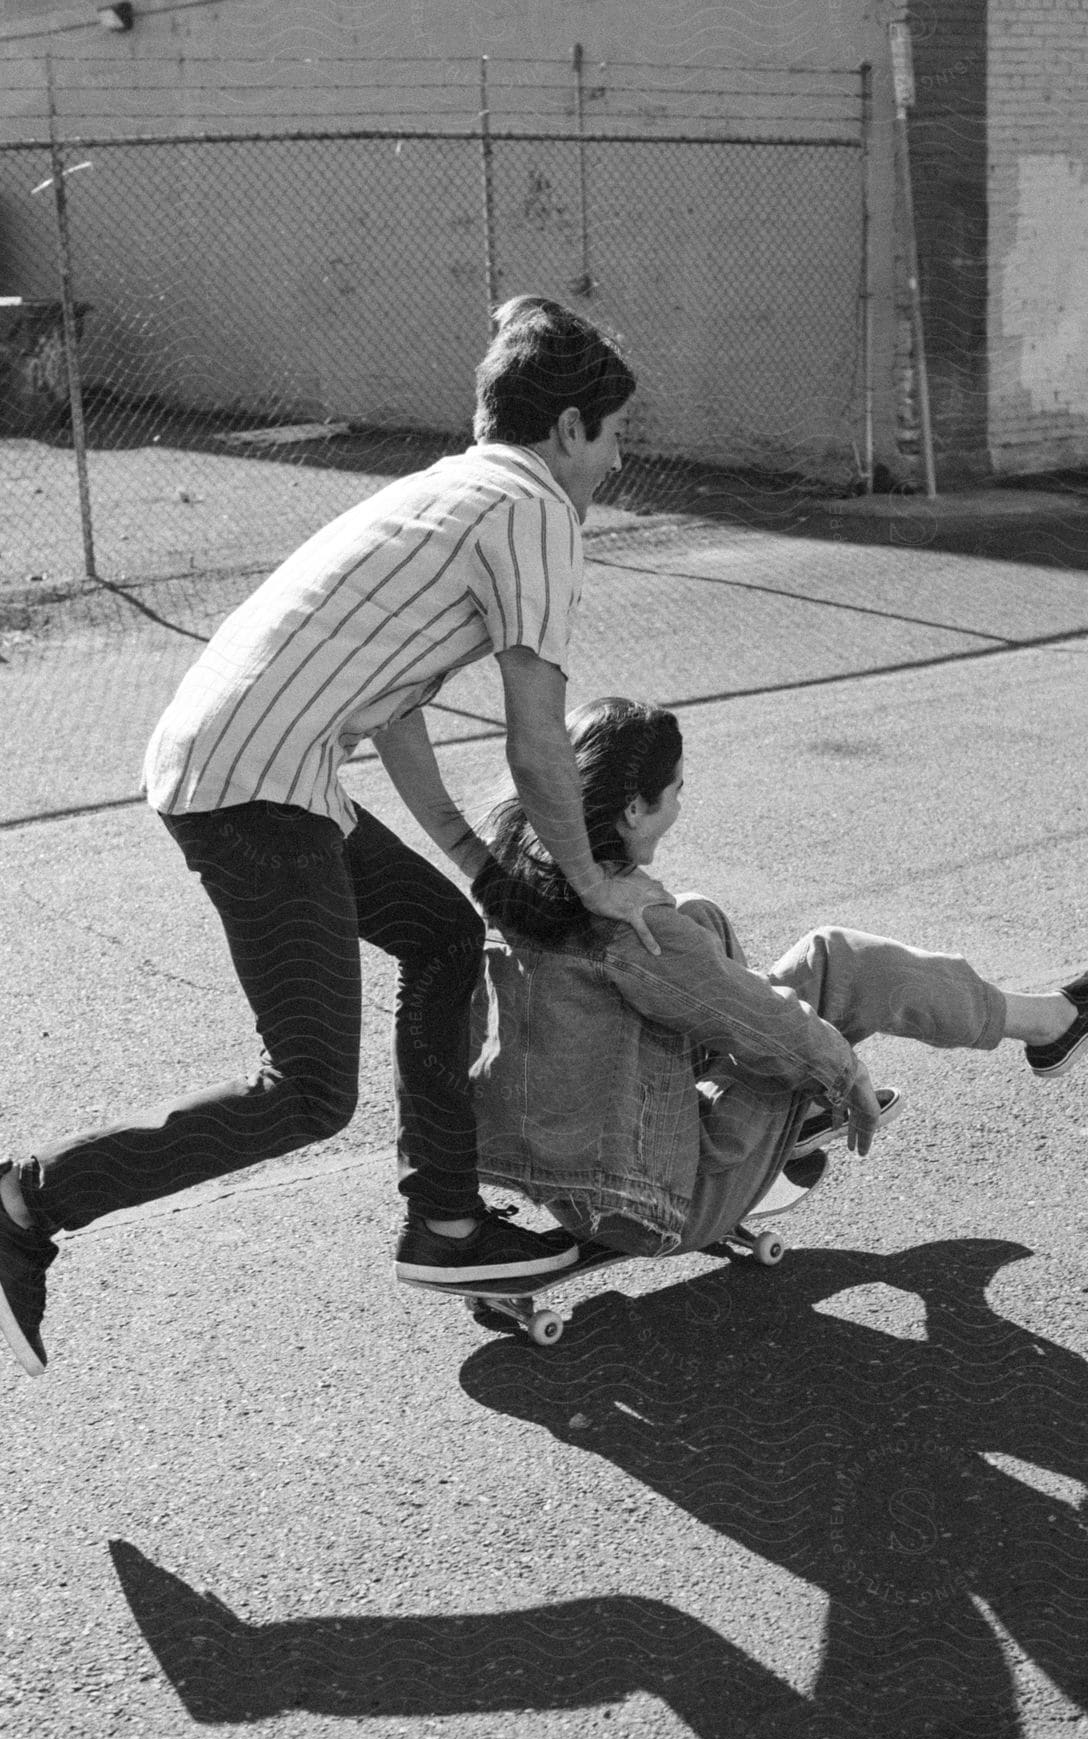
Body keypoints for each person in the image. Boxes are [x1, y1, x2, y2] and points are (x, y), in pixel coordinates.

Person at [0, 297, 671, 1380]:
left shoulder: (447, 491)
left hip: (256, 765)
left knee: (446, 940)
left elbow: (396, 710)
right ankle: (31, 1199)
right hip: (253, 787)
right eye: (613, 435)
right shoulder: (534, 510)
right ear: (567, 433)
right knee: (309, 1093)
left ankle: (447, 1227)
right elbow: (542, 744)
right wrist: (596, 885)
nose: (616, 459)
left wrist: (480, 870)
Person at [456, 696, 1088, 1259]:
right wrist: (846, 1079)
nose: (679, 806)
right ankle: (1050, 1024)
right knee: (840, 961)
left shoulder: (519, 885)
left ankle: (805, 1107)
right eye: (676, 792)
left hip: (565, 1176)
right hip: (660, 1201)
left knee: (701, 916)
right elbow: (772, 1027)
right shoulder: (635, 931)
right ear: (633, 809)